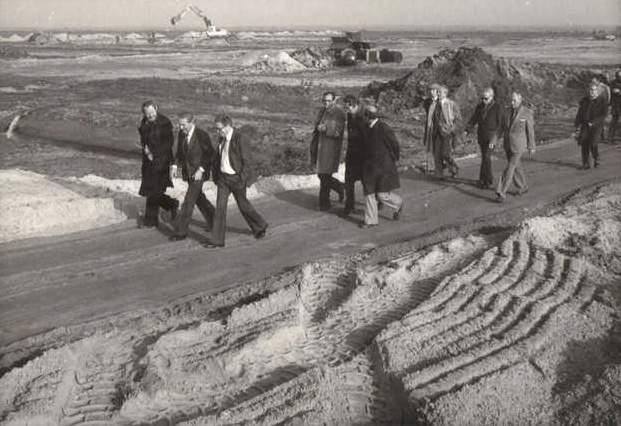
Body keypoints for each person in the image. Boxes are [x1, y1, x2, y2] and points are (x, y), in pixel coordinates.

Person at [204, 114, 268, 248]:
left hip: (236, 179)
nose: (218, 131)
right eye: (216, 129)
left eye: (219, 129)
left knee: (243, 206)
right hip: (223, 179)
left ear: (228, 127)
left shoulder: (240, 138)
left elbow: (247, 162)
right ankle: (217, 240)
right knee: (220, 208)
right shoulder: (221, 138)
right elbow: (218, 157)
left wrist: (241, 179)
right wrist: (216, 176)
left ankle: (260, 226)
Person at [169, 113, 216, 241]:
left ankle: (181, 232)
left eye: (183, 124)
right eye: (179, 124)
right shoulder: (182, 134)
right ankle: (215, 221)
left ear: (191, 123)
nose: (180, 127)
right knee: (199, 198)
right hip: (188, 173)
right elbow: (180, 152)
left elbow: (210, 154)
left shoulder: (202, 135)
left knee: (189, 201)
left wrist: (201, 169)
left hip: (199, 174)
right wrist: (175, 167)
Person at [359, 105, 404, 228]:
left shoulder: (384, 128)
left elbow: (394, 145)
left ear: (369, 116)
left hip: (383, 166)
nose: (362, 118)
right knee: (369, 193)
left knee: (381, 195)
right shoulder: (365, 127)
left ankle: (398, 203)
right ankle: (371, 221)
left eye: (364, 116)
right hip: (368, 166)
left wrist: (393, 159)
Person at [137, 100, 178, 228]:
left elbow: (168, 144)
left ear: (156, 108)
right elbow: (144, 141)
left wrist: (154, 155)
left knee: (153, 191)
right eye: (147, 113)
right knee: (153, 191)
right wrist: (146, 150)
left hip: (162, 162)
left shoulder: (165, 123)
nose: (150, 115)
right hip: (148, 163)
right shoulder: (144, 123)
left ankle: (150, 221)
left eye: (152, 112)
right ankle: (171, 204)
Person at [496, 91, 536, 203]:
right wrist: (494, 141)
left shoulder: (527, 112)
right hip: (508, 144)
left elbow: (530, 131)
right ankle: (523, 186)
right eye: (511, 100)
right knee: (516, 166)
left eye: (514, 100)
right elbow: (501, 129)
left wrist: (531, 146)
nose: (512, 102)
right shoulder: (507, 112)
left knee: (511, 166)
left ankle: (501, 191)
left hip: (519, 145)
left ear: (520, 99)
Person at [310, 91, 346, 211]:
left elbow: (338, 132)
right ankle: (340, 187)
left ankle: (324, 204)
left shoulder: (339, 113)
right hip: (318, 148)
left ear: (334, 100)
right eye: (324, 101)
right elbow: (316, 127)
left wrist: (326, 128)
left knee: (324, 176)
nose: (326, 103)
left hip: (330, 150)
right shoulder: (321, 111)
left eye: (329, 101)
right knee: (321, 175)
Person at [465, 87, 504, 189]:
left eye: (486, 98)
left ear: (491, 97)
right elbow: (474, 119)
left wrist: (495, 138)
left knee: (487, 157)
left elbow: (500, 125)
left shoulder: (497, 108)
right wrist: (467, 129)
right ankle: (483, 179)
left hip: (492, 137)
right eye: (482, 98)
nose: (484, 100)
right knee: (484, 158)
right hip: (482, 136)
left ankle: (488, 179)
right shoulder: (480, 107)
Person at [574, 82, 608, 169]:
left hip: (596, 126)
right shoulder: (584, 101)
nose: (591, 92)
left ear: (597, 91)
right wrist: (577, 124)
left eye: (593, 90)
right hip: (585, 125)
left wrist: (593, 122)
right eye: (590, 90)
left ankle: (596, 158)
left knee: (593, 143)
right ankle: (585, 164)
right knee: (584, 143)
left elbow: (603, 115)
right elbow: (580, 113)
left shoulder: (602, 101)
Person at [342, 94, 366, 216]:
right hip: (352, 154)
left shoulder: (363, 118)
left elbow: (367, 138)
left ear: (355, 105)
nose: (347, 110)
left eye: (349, 107)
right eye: (346, 108)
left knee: (366, 182)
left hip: (362, 156)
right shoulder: (350, 115)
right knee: (348, 181)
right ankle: (349, 205)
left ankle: (378, 202)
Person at [432, 85, 461, 178]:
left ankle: (454, 168)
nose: (438, 94)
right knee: (436, 154)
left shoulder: (451, 104)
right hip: (437, 132)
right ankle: (439, 174)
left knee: (445, 153)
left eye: (440, 92)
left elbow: (458, 118)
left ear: (445, 93)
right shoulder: (435, 104)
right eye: (437, 92)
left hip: (447, 133)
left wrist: (452, 129)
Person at [422, 83, 441, 173]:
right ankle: (430, 167)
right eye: (430, 90)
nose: (432, 92)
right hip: (429, 127)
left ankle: (439, 166)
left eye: (434, 90)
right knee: (429, 147)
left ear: (438, 92)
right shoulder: (427, 102)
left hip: (438, 128)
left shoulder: (441, 102)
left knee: (437, 148)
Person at [608, 70, 621, 143]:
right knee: (614, 121)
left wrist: (619, 91)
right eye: (619, 76)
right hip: (616, 105)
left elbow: (617, 91)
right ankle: (610, 138)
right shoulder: (613, 83)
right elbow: (613, 91)